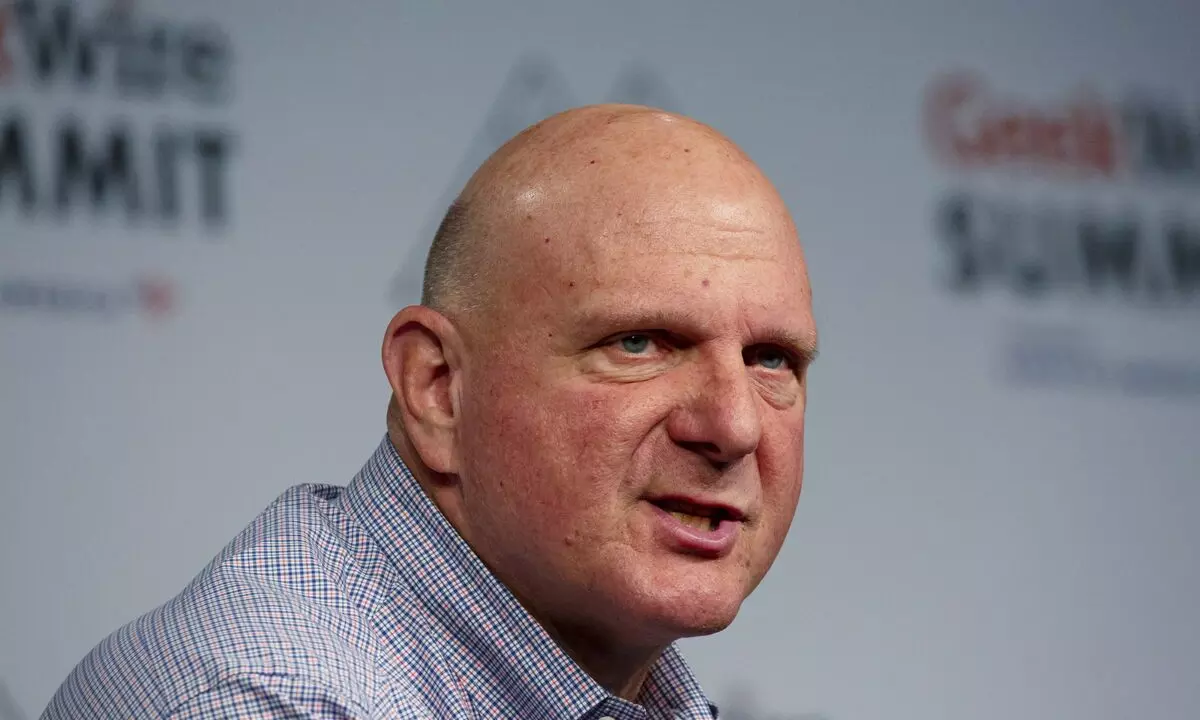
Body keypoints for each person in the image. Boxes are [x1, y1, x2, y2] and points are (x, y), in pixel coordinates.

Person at [42, 104, 818, 719]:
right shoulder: (269, 702)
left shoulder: (630, 690)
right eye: (639, 343)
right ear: (437, 388)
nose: (735, 426)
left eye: (771, 359)